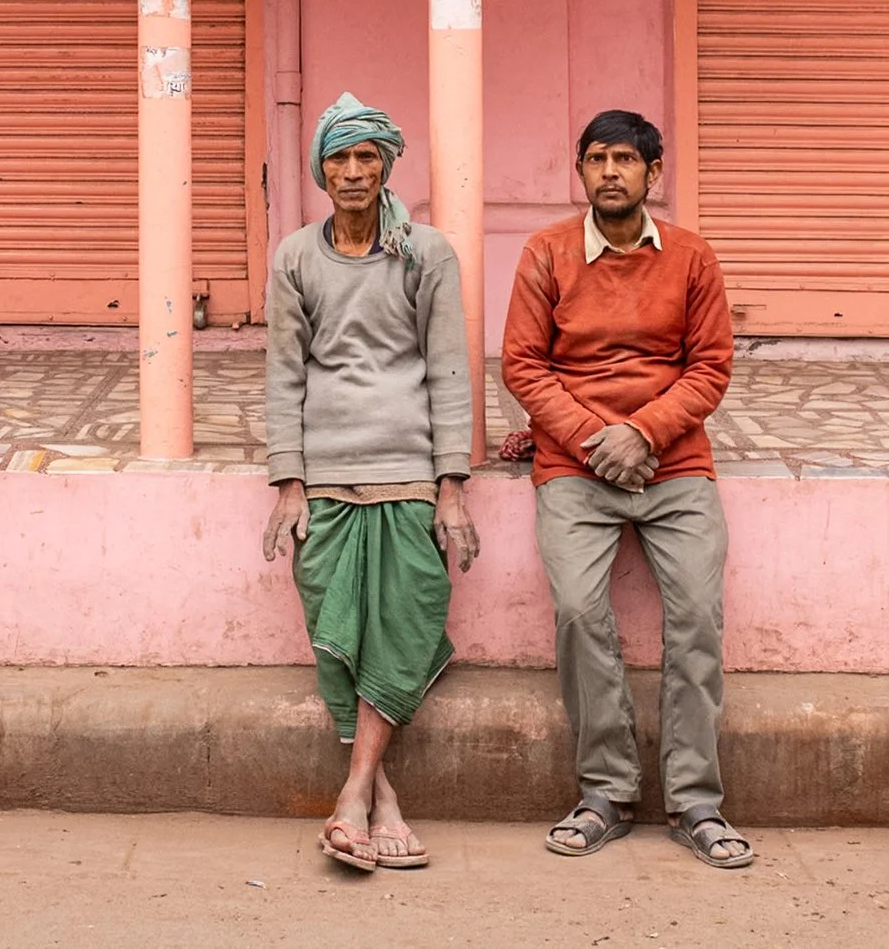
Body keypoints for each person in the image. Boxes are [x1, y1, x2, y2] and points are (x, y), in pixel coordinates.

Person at [501, 108, 752, 869]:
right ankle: (605, 792)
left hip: (672, 464)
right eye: (597, 158)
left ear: (653, 173)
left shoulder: (692, 257)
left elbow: (710, 367)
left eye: (626, 159)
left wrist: (642, 433)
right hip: (577, 466)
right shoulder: (545, 253)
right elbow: (522, 365)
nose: (611, 171)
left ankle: (695, 799)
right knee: (580, 610)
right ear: (580, 170)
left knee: (698, 614)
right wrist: (593, 438)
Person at [264, 92, 479, 874]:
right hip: (326, 473)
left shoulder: (426, 252)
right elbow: (284, 375)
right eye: (339, 157)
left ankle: (354, 791)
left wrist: (450, 483)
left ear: (387, 163)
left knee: (407, 616)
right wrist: (288, 480)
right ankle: (375, 797)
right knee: (336, 631)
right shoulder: (293, 256)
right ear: (320, 168)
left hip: (409, 473)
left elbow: (451, 369)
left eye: (366, 157)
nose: (353, 171)